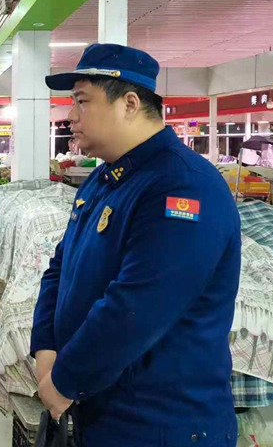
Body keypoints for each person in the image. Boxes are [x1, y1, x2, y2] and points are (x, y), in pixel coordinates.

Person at [31, 44, 241, 446]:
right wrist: (45, 348)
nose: (70, 116)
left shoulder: (182, 186)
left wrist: (65, 380)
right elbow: (61, 267)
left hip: (160, 423)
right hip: (105, 412)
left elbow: (138, 306)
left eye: (81, 101)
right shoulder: (104, 179)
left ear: (129, 103)